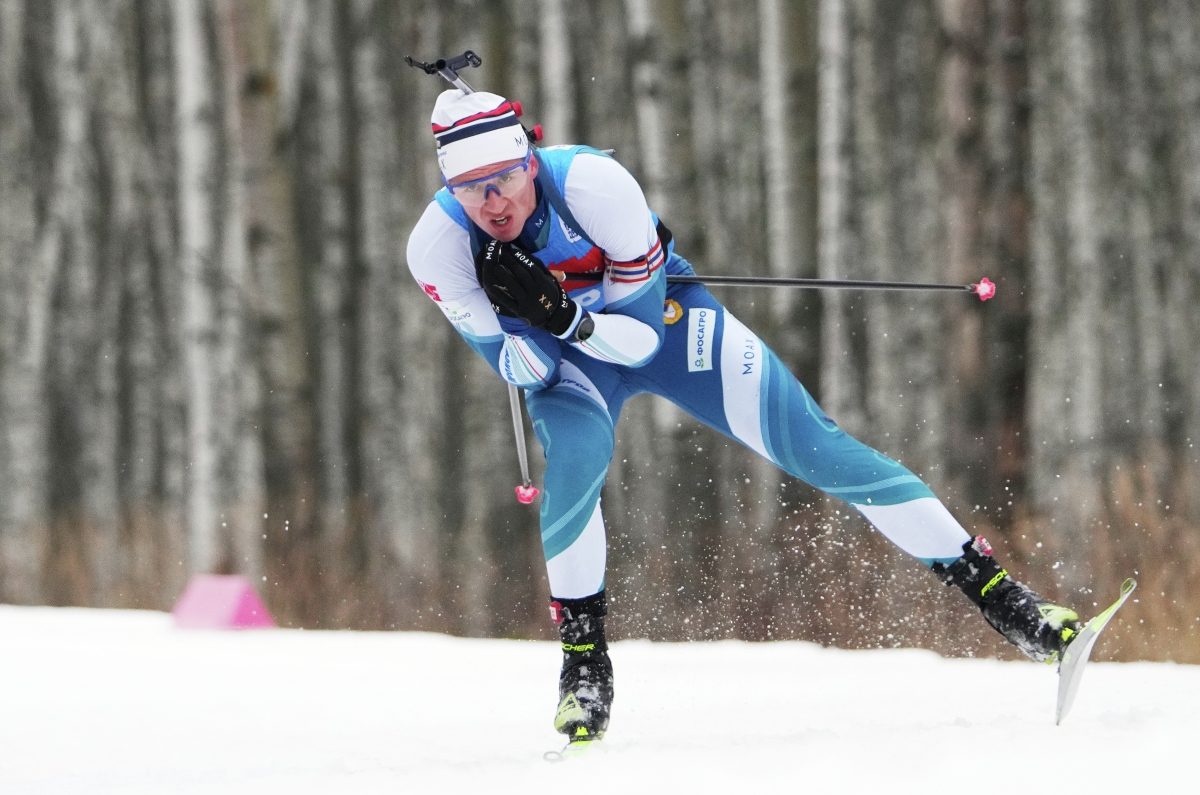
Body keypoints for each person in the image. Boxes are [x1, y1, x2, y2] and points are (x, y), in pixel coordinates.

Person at [405, 89, 1080, 744]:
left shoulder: (595, 186)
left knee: (815, 447)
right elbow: (525, 373)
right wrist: (525, 327)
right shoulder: (438, 247)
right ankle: (585, 666)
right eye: (470, 188)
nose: (492, 202)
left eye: (502, 178)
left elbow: (639, 342)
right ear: (449, 191)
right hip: (568, 360)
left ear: (529, 160)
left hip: (662, 324)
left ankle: (1010, 604)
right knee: (576, 463)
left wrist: (565, 314)